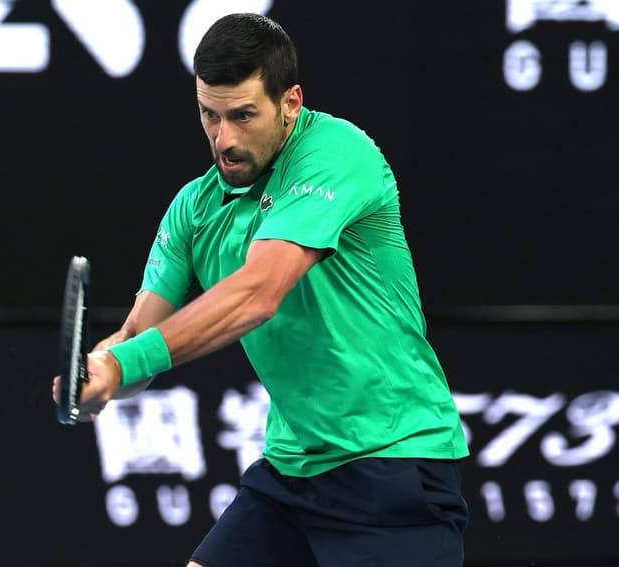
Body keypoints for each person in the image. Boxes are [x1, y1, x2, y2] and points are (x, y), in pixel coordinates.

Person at [53, 12, 469, 567]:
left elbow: (259, 291)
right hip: (290, 475)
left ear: (290, 103)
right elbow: (138, 338)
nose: (223, 139)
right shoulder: (194, 209)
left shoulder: (337, 153)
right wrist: (98, 374)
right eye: (210, 115)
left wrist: (121, 364)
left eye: (243, 115)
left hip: (392, 466)